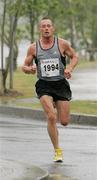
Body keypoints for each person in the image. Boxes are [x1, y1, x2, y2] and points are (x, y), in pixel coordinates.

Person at [22, 17, 78, 163]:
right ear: (40, 29)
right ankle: (57, 150)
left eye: (49, 26)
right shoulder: (33, 47)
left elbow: (74, 56)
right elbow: (24, 66)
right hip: (44, 85)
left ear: (53, 28)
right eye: (43, 26)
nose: (46, 28)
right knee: (52, 117)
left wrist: (70, 68)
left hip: (60, 84)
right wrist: (30, 69)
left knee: (64, 121)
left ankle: (55, 102)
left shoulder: (62, 44)